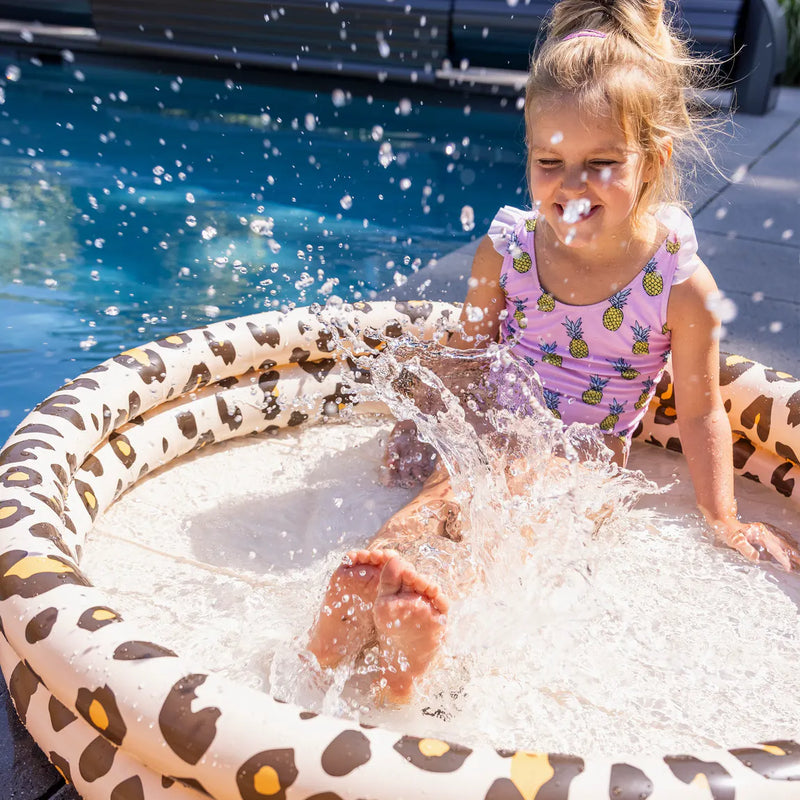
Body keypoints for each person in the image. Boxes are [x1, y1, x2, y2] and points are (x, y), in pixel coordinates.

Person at [306, 0, 799, 703]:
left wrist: (723, 516)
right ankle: (363, 594)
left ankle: (421, 628)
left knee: (524, 504)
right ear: (529, 153)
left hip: (581, 454)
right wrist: (418, 423)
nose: (572, 186)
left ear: (651, 161)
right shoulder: (506, 251)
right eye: (550, 161)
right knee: (445, 492)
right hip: (492, 424)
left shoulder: (678, 283)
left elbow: (700, 413)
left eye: (601, 163)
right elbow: (466, 356)